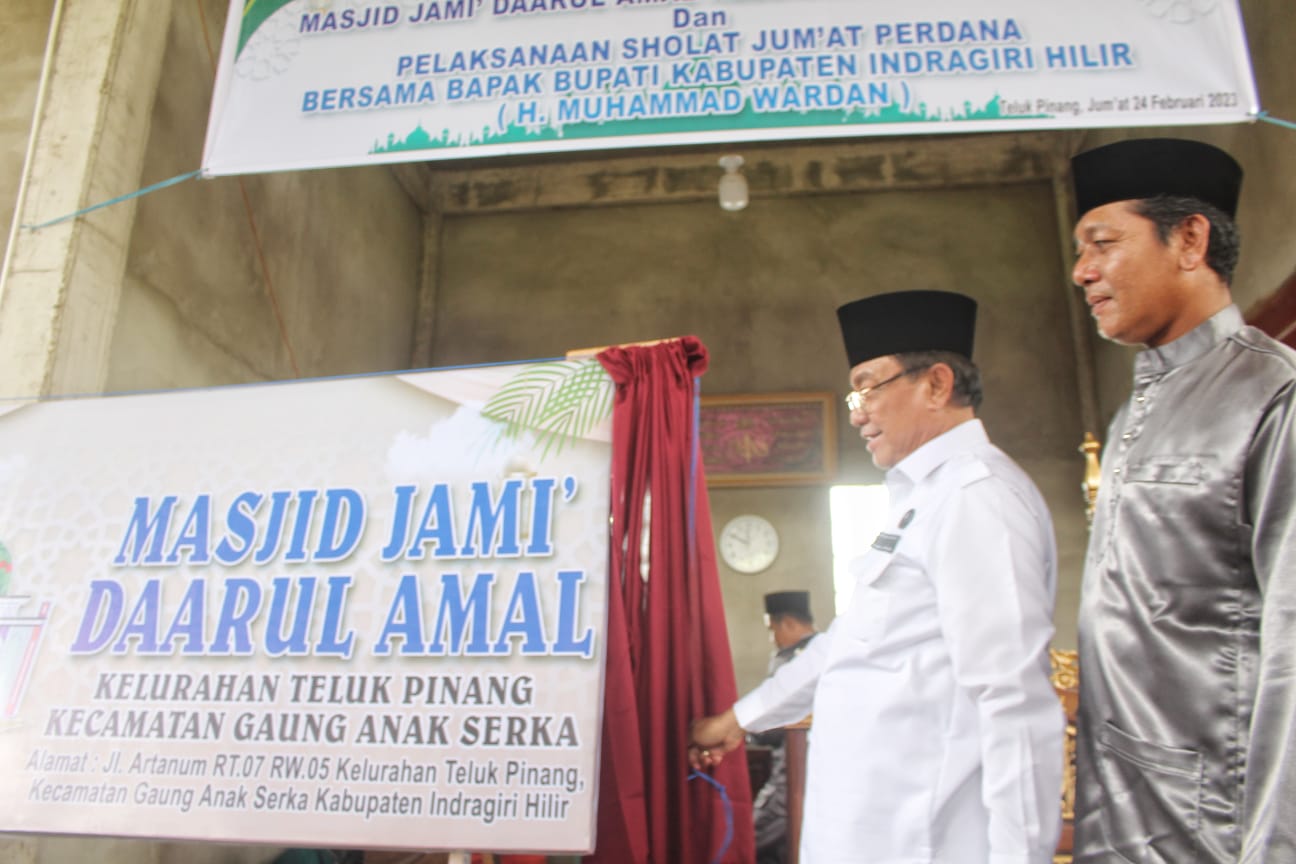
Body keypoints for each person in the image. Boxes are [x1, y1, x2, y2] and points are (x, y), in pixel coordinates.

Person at [689, 290, 1064, 863]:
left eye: (869, 386)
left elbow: (1012, 701)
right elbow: (847, 646)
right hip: (867, 833)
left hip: (925, 840)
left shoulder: (977, 499)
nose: (857, 411)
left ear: (937, 385)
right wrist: (739, 720)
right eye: (852, 393)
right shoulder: (920, 500)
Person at [1070, 137, 1296, 862]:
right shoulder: (1139, 406)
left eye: (1102, 244)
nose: (1082, 272)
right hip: (1126, 812)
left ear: (1190, 240)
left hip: (1218, 826)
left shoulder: (1271, 397)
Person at [749, 590, 818, 864]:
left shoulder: (794, 659)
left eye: (772, 629)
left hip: (793, 772)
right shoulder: (823, 649)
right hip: (817, 777)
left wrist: (747, 729)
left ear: (788, 623)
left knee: (756, 837)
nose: (773, 638)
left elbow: (779, 719)